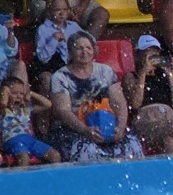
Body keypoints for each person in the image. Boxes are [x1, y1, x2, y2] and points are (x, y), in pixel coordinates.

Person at [49, 32, 139, 162]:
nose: (84, 52)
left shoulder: (106, 71)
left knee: (132, 146)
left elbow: (119, 103)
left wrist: (120, 127)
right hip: (75, 129)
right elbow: (63, 111)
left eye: (88, 48)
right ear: (70, 52)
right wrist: (85, 130)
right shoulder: (60, 77)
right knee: (88, 151)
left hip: (107, 125)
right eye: (79, 48)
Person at [126, 36, 173, 155]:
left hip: (168, 118)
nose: (153, 55)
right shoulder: (132, 76)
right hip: (146, 120)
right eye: (148, 51)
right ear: (139, 55)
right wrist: (143, 73)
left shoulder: (164, 75)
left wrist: (170, 75)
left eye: (155, 51)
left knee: (170, 143)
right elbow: (135, 104)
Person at [0, 78, 58, 165]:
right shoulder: (3, 111)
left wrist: (30, 93)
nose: (18, 96)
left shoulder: (25, 110)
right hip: (13, 141)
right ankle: (22, 178)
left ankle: (54, 177)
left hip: (31, 141)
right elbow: (3, 102)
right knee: (24, 157)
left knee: (55, 155)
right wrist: (5, 90)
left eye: (21, 93)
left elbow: (48, 104)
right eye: (14, 93)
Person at [31, 0, 81, 82]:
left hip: (70, 65)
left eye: (65, 9)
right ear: (49, 11)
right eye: (57, 10)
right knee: (48, 79)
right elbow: (43, 58)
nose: (61, 13)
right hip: (49, 66)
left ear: (69, 10)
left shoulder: (74, 26)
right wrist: (54, 40)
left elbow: (88, 40)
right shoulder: (43, 29)